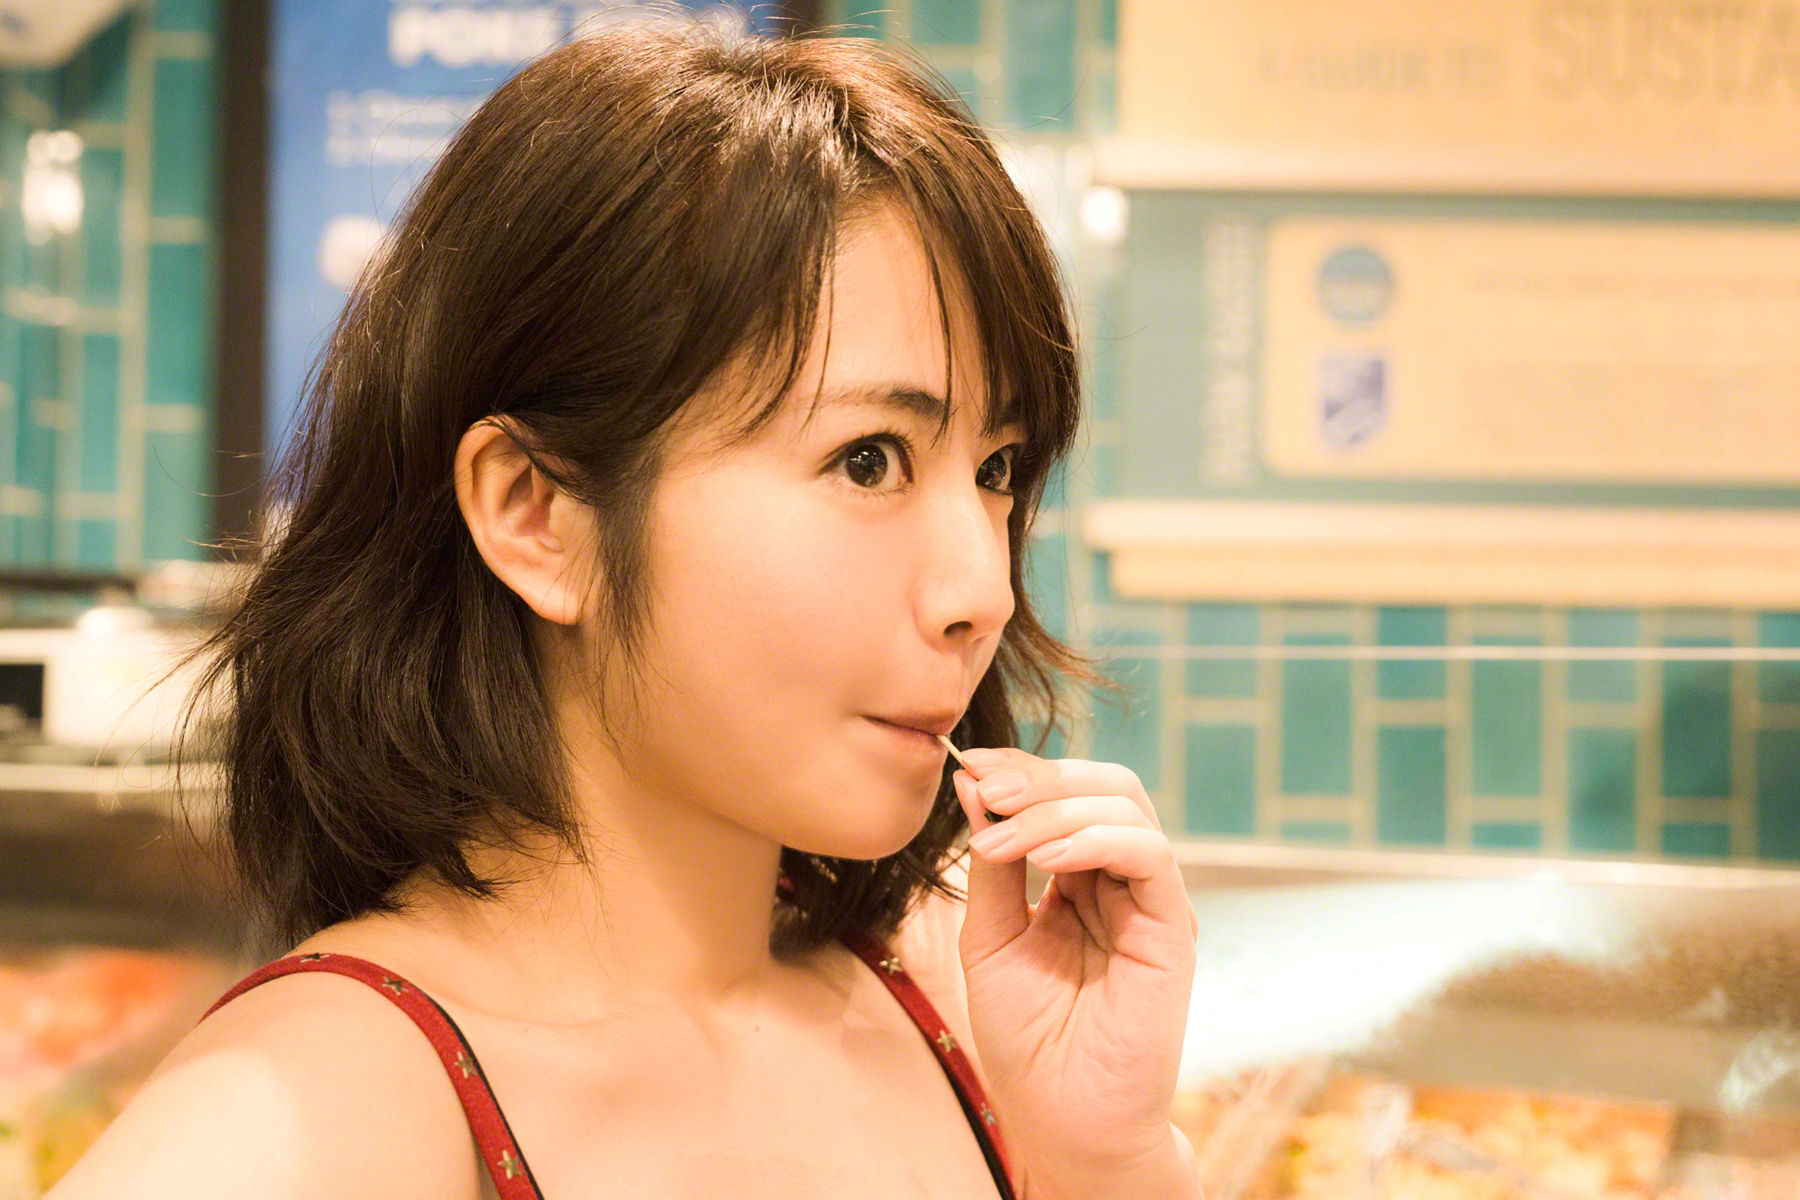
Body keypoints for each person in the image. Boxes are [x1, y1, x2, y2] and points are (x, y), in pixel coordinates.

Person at [48, 14, 1199, 1199]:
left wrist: (1107, 1161)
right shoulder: (313, 1112)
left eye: (998, 468)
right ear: (536, 514)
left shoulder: (971, 995)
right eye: (869, 460)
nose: (982, 592)